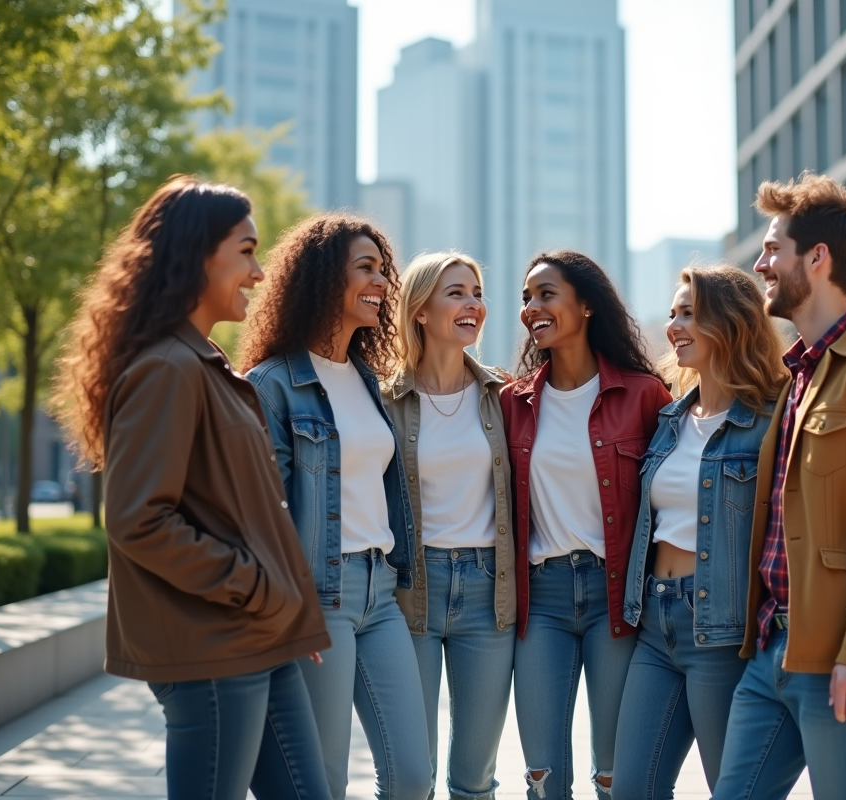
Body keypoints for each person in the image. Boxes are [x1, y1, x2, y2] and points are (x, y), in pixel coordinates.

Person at [51, 176, 331, 800]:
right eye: (247, 251)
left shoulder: (200, 361)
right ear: (196, 255)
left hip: (259, 638)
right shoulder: (165, 369)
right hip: (214, 649)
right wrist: (257, 589)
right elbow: (139, 520)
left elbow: (242, 508)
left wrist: (284, 609)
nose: (258, 273)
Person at [711, 173, 846, 800]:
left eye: (773, 249)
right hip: (773, 649)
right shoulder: (797, 379)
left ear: (818, 258)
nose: (760, 264)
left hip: (841, 658)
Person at [240, 214, 432, 800]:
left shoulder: (369, 381)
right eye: (366, 269)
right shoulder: (272, 384)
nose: (382, 283)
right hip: (316, 596)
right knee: (322, 782)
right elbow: (259, 510)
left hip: (380, 592)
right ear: (325, 280)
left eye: (383, 269)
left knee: (413, 777)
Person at [500, 250, 671, 800]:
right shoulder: (514, 402)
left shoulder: (643, 395)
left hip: (615, 596)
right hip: (542, 598)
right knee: (544, 776)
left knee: (617, 773)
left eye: (546, 293)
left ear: (587, 305)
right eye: (527, 297)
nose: (532, 307)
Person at [614, 266, 786, 799]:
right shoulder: (669, 419)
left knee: (730, 789)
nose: (674, 324)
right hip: (653, 621)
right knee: (631, 788)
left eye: (689, 312)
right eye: (672, 313)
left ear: (729, 322)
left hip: (720, 629)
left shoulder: (768, 420)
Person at [382, 252, 516, 800]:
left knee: (476, 776)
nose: (473, 304)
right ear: (420, 310)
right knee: (408, 775)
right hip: (410, 589)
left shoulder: (503, 396)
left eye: (477, 292)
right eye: (456, 292)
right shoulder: (385, 400)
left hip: (488, 592)